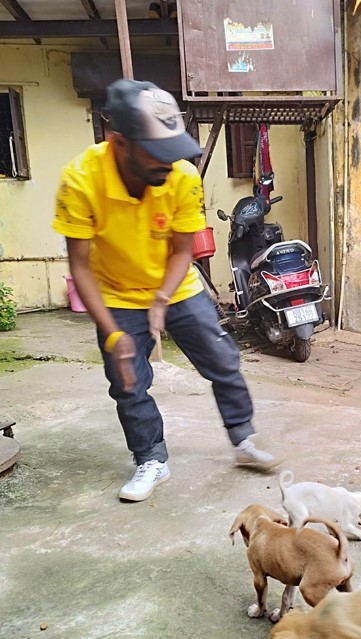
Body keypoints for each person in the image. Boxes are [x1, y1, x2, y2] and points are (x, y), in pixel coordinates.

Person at [53, 78, 279, 502]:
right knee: (127, 382)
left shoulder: (182, 175)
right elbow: (79, 267)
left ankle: (243, 438)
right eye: (157, 151)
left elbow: (182, 251)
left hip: (177, 288)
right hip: (116, 295)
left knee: (223, 360)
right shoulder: (80, 180)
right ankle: (151, 458)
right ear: (117, 140)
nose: (168, 163)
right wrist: (114, 332)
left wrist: (160, 300)